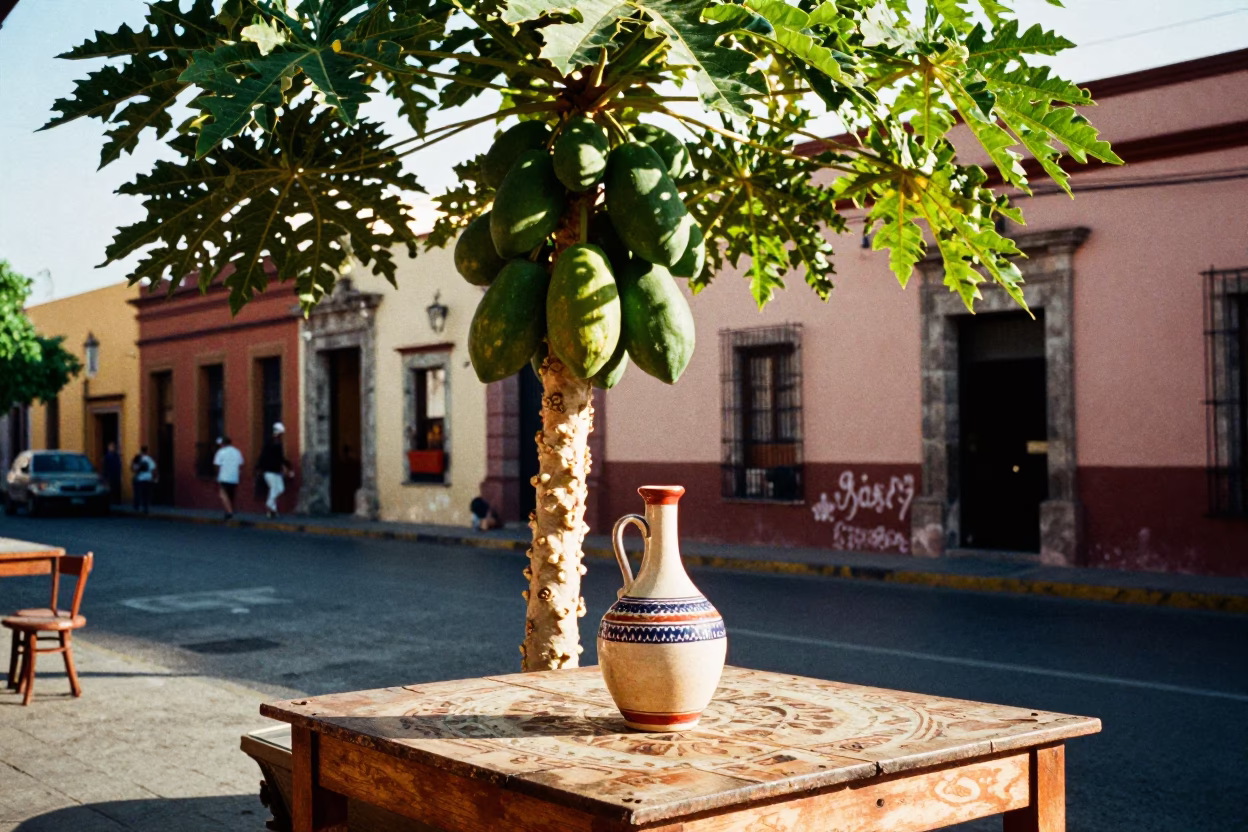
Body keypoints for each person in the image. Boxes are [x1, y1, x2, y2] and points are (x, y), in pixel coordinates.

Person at [258, 422, 293, 518]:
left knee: (276, 489)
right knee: (277, 489)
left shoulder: (276, 443)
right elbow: (271, 457)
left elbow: (279, 458)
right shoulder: (272, 443)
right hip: (269, 470)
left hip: (276, 470)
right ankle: (270, 505)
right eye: (281, 433)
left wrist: (286, 466)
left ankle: (271, 511)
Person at [213, 436, 244, 520]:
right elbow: (241, 464)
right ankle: (230, 510)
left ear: (223, 444)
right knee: (231, 494)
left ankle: (229, 512)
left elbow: (217, 465)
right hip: (234, 477)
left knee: (223, 494)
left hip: (224, 476)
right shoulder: (237, 452)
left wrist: (217, 475)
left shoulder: (221, 452)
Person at [131, 446, 156, 514]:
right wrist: (154, 478)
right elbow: (153, 469)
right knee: (146, 494)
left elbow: (134, 468)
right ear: (147, 451)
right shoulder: (149, 459)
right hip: (148, 478)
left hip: (140, 478)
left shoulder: (138, 459)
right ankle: (145, 507)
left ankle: (137, 506)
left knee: (138, 493)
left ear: (141, 451)